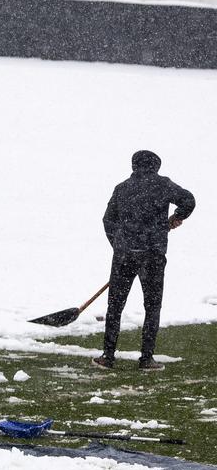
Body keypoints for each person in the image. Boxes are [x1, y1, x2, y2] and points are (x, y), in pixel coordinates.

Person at [94, 150, 196, 371]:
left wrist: (119, 245)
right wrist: (176, 217)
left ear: (134, 165)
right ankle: (146, 359)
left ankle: (108, 356)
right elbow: (189, 200)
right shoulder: (163, 185)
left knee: (115, 306)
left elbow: (108, 220)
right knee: (152, 306)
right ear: (155, 166)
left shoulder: (122, 188)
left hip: (124, 256)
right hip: (153, 255)